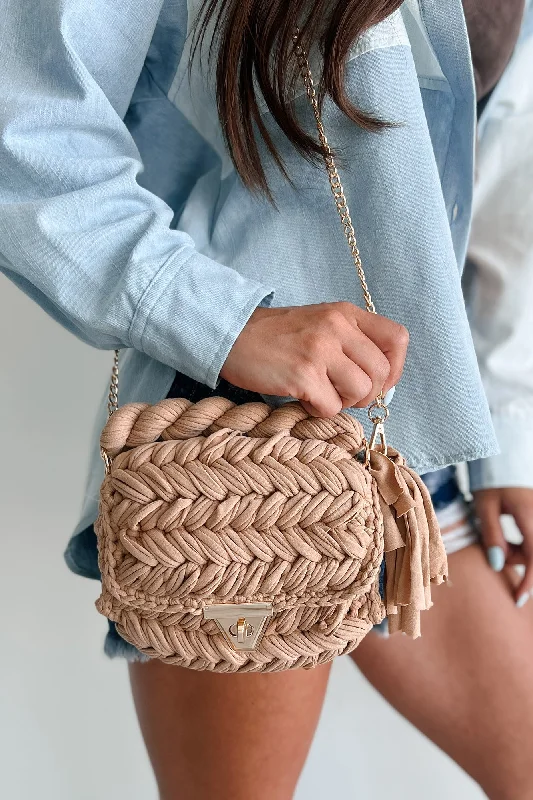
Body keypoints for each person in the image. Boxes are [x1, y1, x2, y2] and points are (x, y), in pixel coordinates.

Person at [0, 1, 530, 798]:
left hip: (416, 443)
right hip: (237, 475)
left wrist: (509, 433)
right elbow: (23, 128)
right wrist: (227, 320)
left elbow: (496, 172)